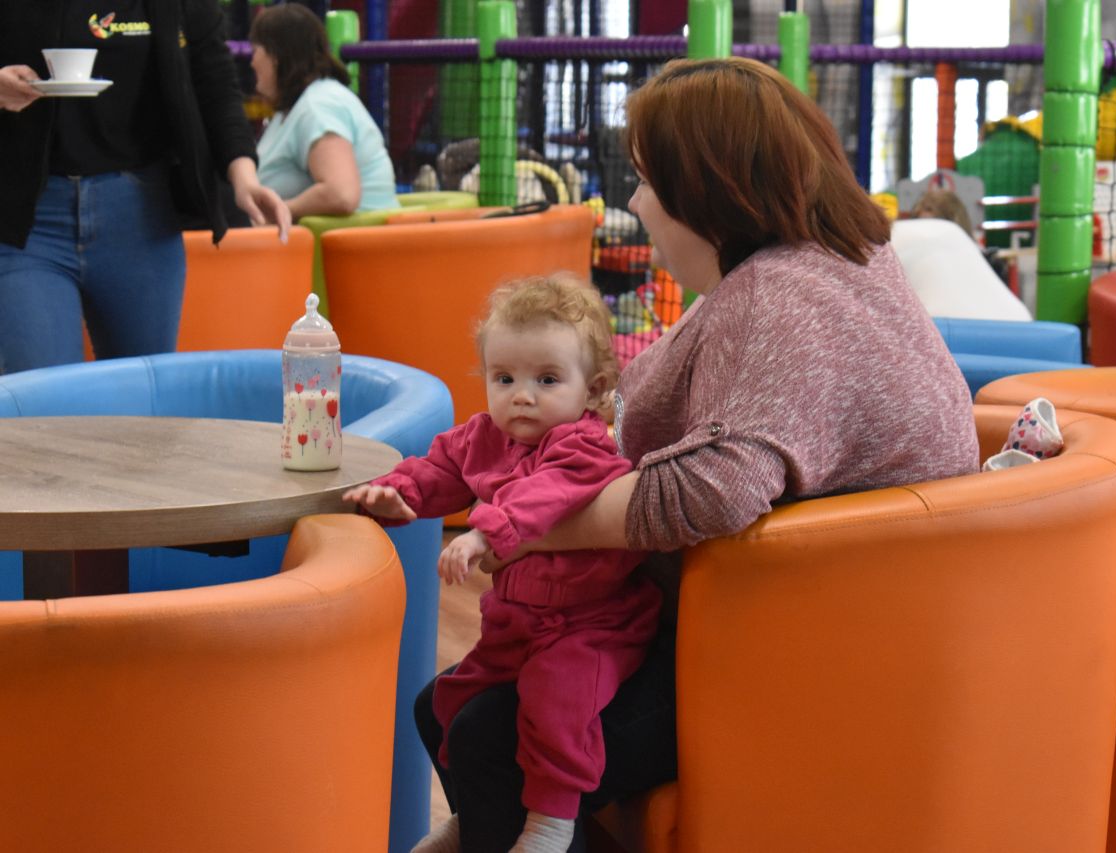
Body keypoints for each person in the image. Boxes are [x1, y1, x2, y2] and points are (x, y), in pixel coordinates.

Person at [412, 57, 981, 853]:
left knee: (483, 737)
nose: (636, 203)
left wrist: (526, 528)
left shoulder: (777, 297)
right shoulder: (840, 259)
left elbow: (715, 487)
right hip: (839, 621)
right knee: (443, 708)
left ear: (705, 193)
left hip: (790, 650)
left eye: (648, 180)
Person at [344, 276, 662, 853]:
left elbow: (543, 495)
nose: (522, 396)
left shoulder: (585, 445)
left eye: (547, 380)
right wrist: (395, 493)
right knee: (448, 701)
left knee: (555, 705)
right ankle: (473, 816)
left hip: (591, 623)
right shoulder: (484, 437)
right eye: (505, 378)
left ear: (592, 389)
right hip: (518, 620)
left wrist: (483, 532)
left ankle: (551, 824)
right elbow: (438, 468)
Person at [0, 0, 290, 376]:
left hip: (141, 216)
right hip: (28, 221)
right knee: (38, 393)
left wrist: (244, 175)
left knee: (142, 395)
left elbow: (216, 84)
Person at [248, 3, 398, 219]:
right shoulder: (296, 108)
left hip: (354, 238)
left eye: (256, 51)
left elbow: (341, 195)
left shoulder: (318, 107)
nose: (252, 62)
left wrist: (275, 215)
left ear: (276, 55)